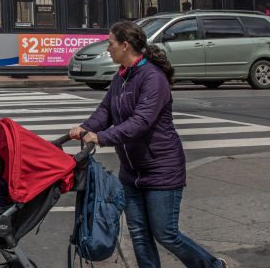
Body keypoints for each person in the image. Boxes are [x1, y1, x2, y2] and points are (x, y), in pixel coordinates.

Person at [69, 20, 226, 268]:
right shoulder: (120, 77)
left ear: (125, 45)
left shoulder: (153, 78)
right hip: (132, 172)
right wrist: (87, 127)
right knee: (140, 236)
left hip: (161, 168)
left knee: (166, 234)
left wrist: (101, 137)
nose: (108, 49)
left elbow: (141, 122)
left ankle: (212, 265)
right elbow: (105, 111)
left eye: (111, 44)